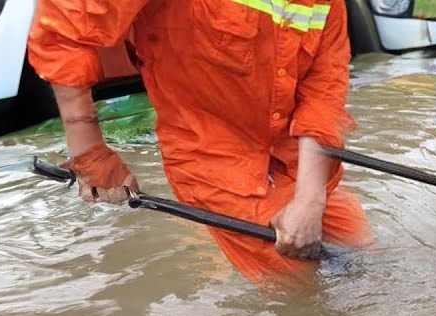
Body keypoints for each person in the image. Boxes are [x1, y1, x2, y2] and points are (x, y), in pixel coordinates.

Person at [27, 0, 372, 290]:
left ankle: (207, 255)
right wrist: (90, 152)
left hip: (293, 156)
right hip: (209, 151)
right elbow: (63, 25)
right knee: (300, 293)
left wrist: (310, 200)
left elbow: (323, 93)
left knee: (367, 257)